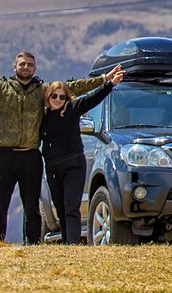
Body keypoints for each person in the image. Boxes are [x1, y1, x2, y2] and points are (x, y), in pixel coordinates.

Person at [0, 47, 113, 244]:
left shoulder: (43, 91)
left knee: (32, 207)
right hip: (3, 155)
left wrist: (103, 79)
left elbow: (73, 88)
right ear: (14, 66)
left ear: (35, 69)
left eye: (30, 65)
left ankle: (32, 244)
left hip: (30, 156)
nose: (26, 67)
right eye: (22, 64)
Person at [39, 68, 121, 243]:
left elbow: (91, 99)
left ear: (67, 98)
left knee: (71, 208)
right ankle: (67, 241)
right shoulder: (42, 116)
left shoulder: (72, 109)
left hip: (73, 165)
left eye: (62, 96)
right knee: (60, 209)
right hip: (53, 168)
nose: (58, 100)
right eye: (54, 96)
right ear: (48, 97)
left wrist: (109, 84)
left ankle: (72, 244)